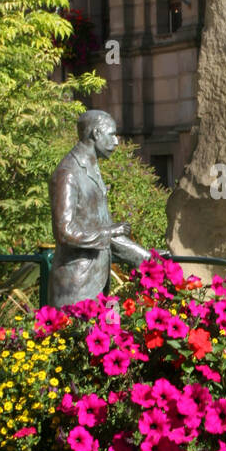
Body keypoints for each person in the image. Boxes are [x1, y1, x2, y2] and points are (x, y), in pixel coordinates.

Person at [47, 110, 149, 307]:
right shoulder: (67, 173)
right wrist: (109, 231)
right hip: (75, 291)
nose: (117, 141)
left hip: (97, 286)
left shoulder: (92, 168)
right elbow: (64, 232)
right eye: (111, 134)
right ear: (95, 134)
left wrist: (147, 258)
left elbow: (106, 231)